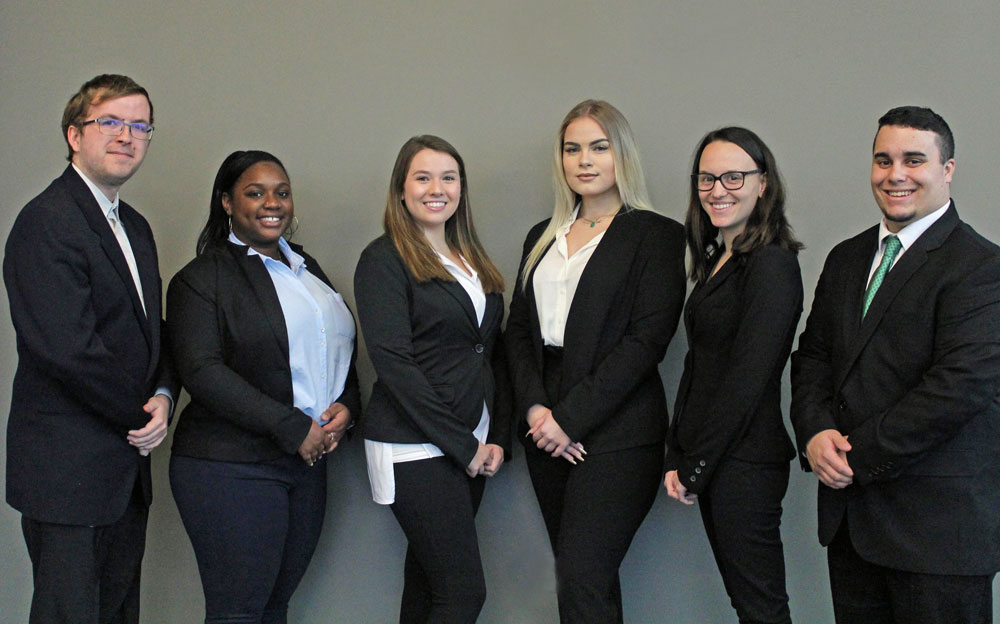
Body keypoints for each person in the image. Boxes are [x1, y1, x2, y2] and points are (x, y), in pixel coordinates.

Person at [791, 106, 1000, 624]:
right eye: (883, 160)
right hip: (853, 529)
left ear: (946, 169)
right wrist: (816, 433)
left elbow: (958, 390)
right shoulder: (845, 258)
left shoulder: (982, 267)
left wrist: (852, 457)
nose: (895, 175)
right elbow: (813, 356)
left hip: (937, 536)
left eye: (913, 160)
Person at [3, 74, 176, 623]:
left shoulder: (137, 229)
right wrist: (138, 417)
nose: (127, 135)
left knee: (118, 613)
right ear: (75, 135)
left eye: (140, 125)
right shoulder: (47, 221)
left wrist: (166, 396)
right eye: (111, 122)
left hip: (123, 473)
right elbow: (66, 349)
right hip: (68, 474)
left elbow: (154, 334)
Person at [505, 100, 686, 623]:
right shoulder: (543, 235)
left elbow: (645, 341)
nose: (585, 160)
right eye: (573, 148)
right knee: (583, 583)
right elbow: (520, 330)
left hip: (619, 427)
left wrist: (569, 419)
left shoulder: (656, 234)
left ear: (621, 154)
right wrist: (538, 411)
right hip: (545, 426)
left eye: (599, 147)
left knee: (583, 578)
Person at [166, 150, 361, 623]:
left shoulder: (307, 269)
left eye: (282, 192)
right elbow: (202, 372)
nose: (272, 202)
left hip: (305, 466)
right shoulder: (200, 280)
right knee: (239, 611)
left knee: (274, 608)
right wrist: (292, 426)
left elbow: (336, 349)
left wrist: (347, 408)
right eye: (255, 192)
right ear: (227, 203)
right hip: (230, 468)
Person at [353, 135, 510, 624]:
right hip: (414, 446)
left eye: (448, 177)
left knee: (428, 590)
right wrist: (463, 446)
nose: (436, 188)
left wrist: (495, 437)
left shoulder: (470, 259)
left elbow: (490, 354)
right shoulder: (383, 259)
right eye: (423, 177)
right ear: (401, 189)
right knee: (462, 594)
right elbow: (395, 364)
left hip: (472, 440)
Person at [663, 127, 803, 624]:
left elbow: (747, 382)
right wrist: (678, 452)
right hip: (718, 459)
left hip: (745, 463)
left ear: (763, 184)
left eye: (734, 177)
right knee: (749, 608)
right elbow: (701, 368)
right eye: (707, 179)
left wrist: (696, 465)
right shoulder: (717, 260)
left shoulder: (771, 264)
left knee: (762, 610)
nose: (718, 190)